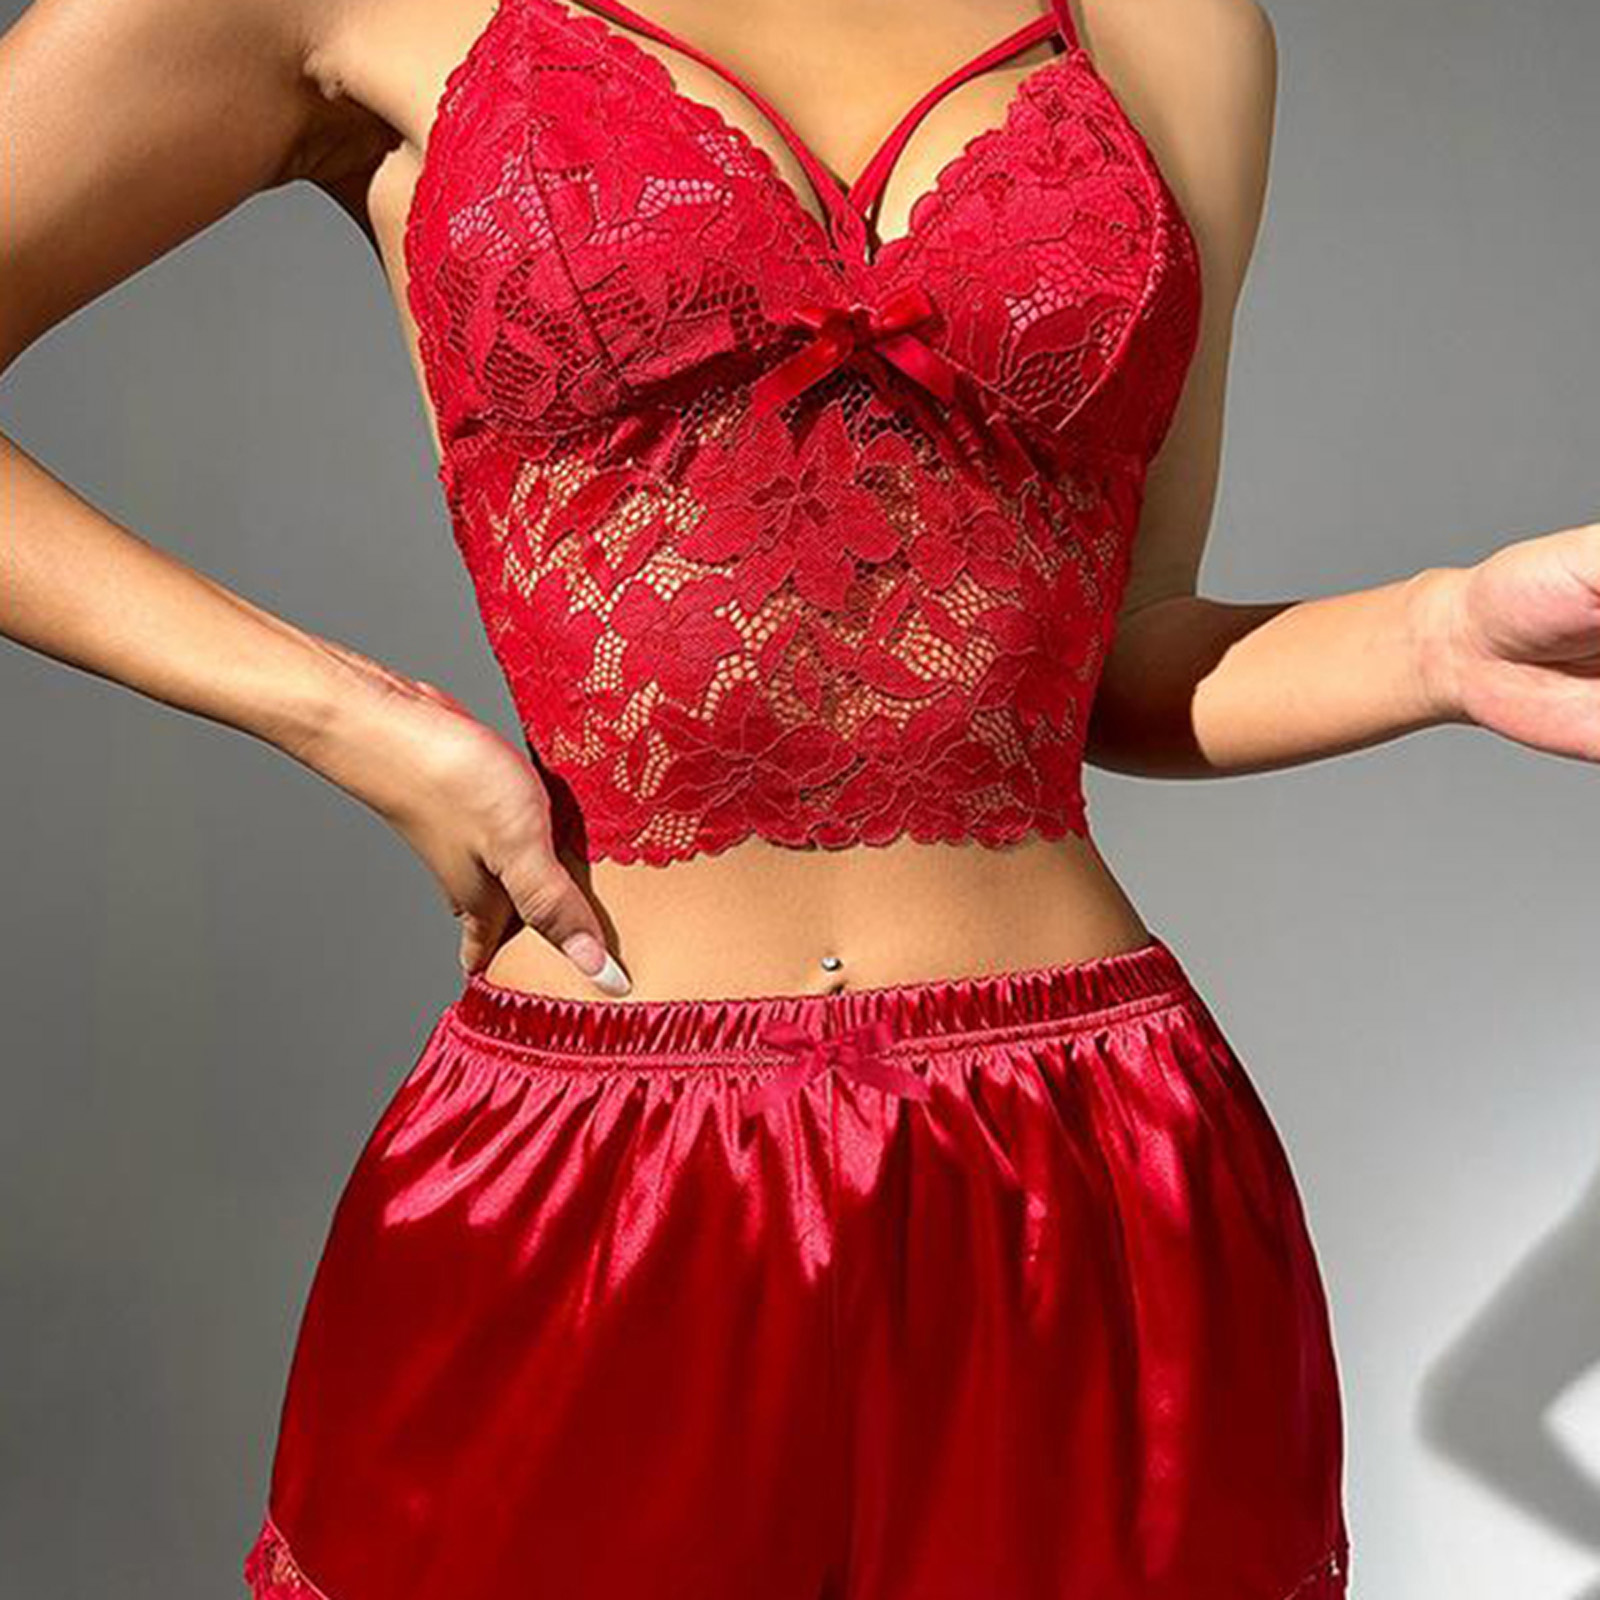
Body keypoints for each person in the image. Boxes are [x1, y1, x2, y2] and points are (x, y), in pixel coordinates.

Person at [3, 0, 1595, 1592]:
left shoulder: (1173, 32)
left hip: (1083, 1176)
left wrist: (1442, 637)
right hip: (591, 1183)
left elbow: (1120, 654)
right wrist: (354, 720)